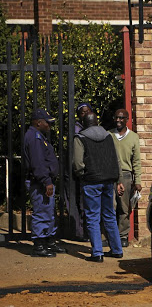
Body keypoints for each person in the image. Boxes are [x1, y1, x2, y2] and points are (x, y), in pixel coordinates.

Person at [73, 113, 124, 262]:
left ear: (83, 123)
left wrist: (83, 174)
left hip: (91, 181)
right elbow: (116, 159)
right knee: (109, 215)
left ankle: (97, 253)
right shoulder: (108, 136)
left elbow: (78, 163)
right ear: (97, 122)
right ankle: (117, 249)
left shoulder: (80, 138)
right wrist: (118, 178)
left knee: (92, 217)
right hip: (109, 180)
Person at [23, 108, 66, 257]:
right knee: (41, 212)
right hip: (40, 183)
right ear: (38, 123)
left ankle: (49, 241)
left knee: (49, 212)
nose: (49, 125)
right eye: (47, 123)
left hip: (44, 182)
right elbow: (38, 163)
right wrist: (46, 181)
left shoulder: (39, 136)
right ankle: (39, 245)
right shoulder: (34, 137)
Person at [109, 109, 142, 247]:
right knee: (110, 206)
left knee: (124, 207)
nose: (118, 120)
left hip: (126, 175)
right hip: (110, 175)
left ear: (127, 119)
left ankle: (123, 236)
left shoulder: (133, 137)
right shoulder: (108, 135)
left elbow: (137, 161)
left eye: (121, 118)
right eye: (116, 117)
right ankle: (109, 236)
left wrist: (138, 181)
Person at [64, 103, 93, 241]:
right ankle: (79, 232)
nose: (85, 114)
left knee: (85, 202)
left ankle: (85, 231)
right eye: (82, 112)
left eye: (87, 112)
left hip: (87, 172)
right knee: (76, 201)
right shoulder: (76, 130)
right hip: (75, 172)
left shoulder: (93, 130)